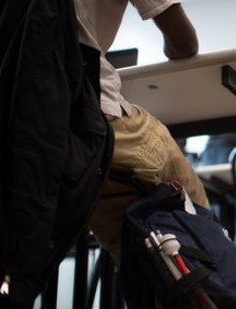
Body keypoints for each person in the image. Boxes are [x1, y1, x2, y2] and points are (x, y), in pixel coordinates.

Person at [73, 1, 210, 264]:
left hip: (17, 127)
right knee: (199, 223)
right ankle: (211, 296)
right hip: (92, 114)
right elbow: (184, 43)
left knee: (129, 243)